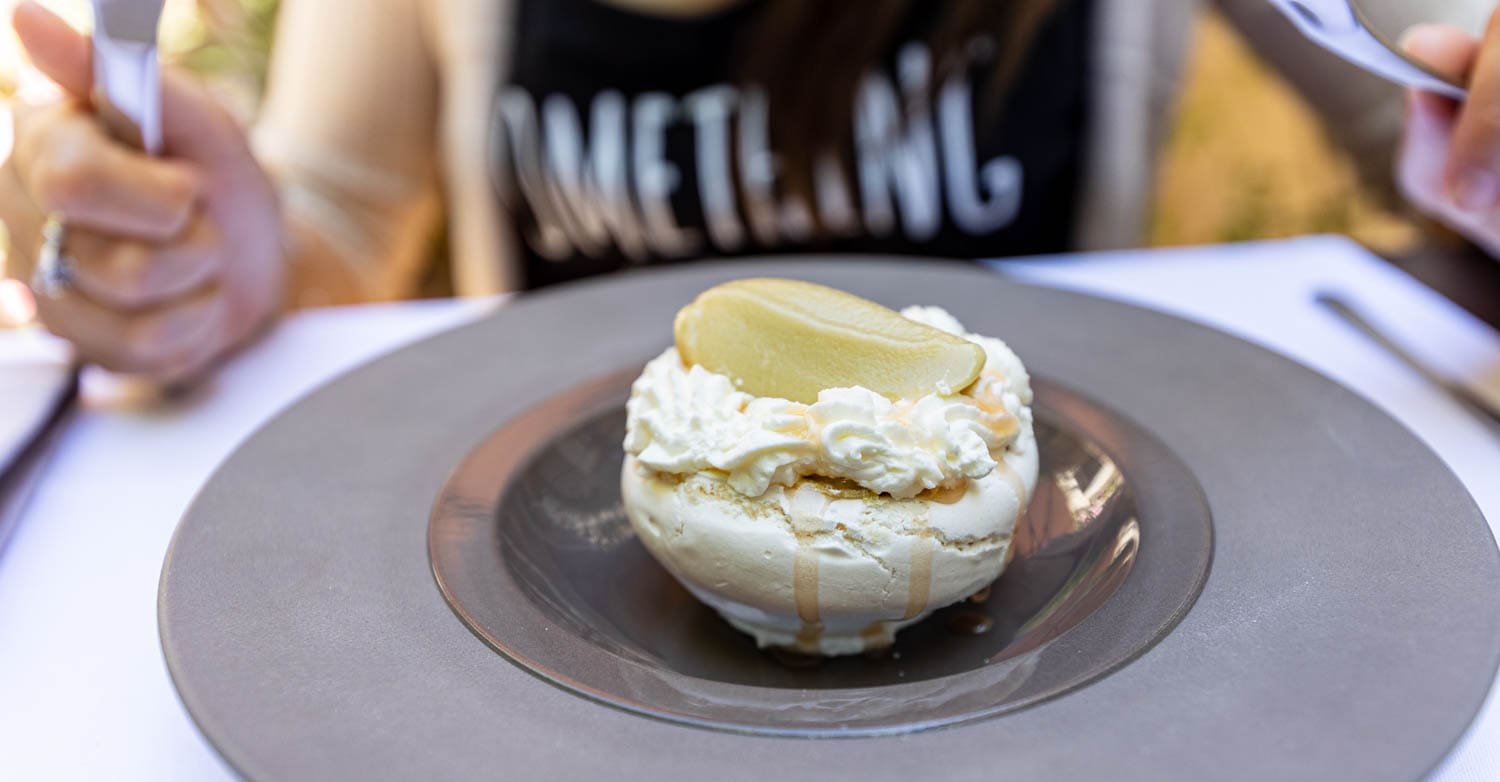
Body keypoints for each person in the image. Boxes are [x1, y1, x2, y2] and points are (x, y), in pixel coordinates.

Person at [0, 0, 1494, 383]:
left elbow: (1431, 121)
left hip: (1048, 607)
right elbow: (328, 235)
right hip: (583, 638)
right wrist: (193, 254)